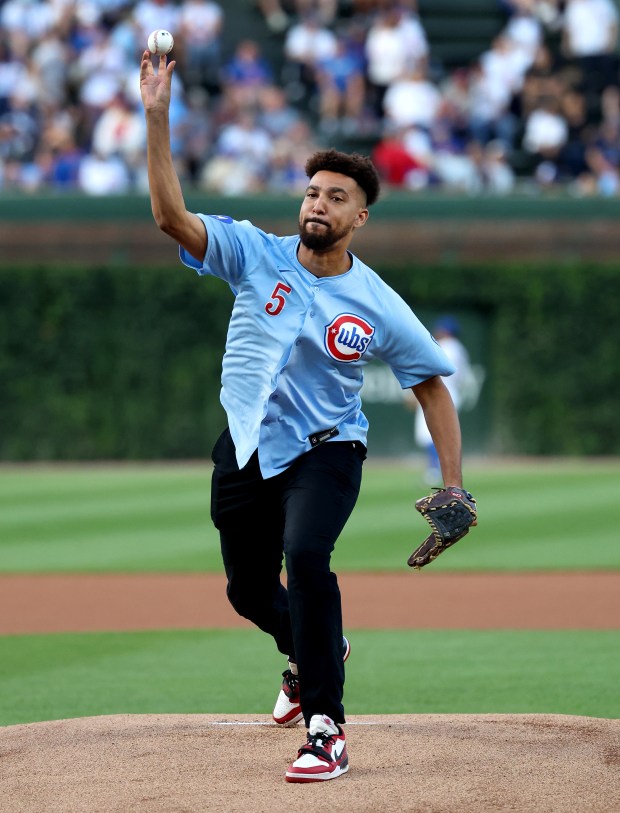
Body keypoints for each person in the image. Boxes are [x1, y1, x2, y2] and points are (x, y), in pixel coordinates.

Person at [139, 49, 469, 784]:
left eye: (336, 196)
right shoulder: (255, 253)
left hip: (328, 450)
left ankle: (326, 727)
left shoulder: (378, 303)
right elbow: (169, 216)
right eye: (312, 191)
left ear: (361, 215)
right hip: (248, 446)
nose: (318, 203)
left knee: (308, 554)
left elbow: (432, 387)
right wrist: (157, 119)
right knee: (246, 591)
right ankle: (316, 646)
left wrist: (454, 484)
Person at [413, 316, 473, 484]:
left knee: (429, 433)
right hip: (451, 392)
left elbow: (431, 371)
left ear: (445, 331)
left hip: (437, 392)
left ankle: (435, 469)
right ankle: (439, 468)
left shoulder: (445, 346)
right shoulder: (460, 349)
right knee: (443, 433)